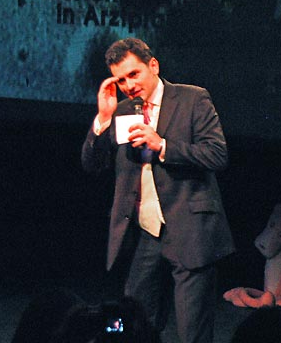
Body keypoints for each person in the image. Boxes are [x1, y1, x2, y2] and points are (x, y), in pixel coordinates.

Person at [81, 37, 235, 343]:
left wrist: (162, 145)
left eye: (133, 74)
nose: (128, 85)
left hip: (188, 229)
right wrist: (103, 119)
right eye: (121, 80)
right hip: (143, 234)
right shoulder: (121, 110)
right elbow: (92, 164)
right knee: (137, 327)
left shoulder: (192, 99)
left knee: (192, 331)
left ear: (153, 66)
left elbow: (217, 155)